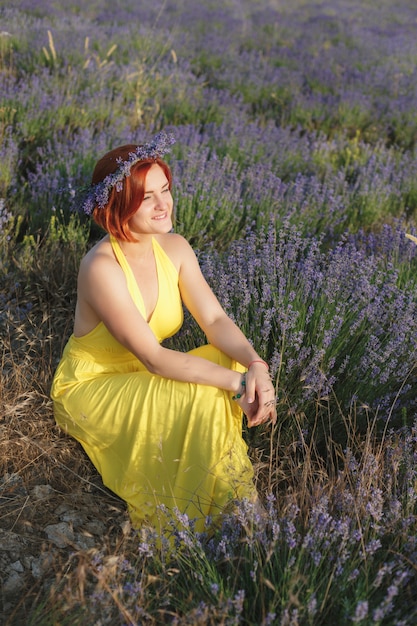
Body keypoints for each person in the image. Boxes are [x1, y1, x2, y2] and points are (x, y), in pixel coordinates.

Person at [50, 131, 277, 534]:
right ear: (118, 205)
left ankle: (229, 506)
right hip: (95, 386)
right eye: (146, 197)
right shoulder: (101, 267)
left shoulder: (174, 247)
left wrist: (255, 366)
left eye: (165, 189)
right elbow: (154, 358)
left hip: (144, 374)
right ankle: (216, 517)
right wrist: (238, 385)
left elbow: (216, 321)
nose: (163, 204)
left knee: (225, 359)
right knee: (210, 390)